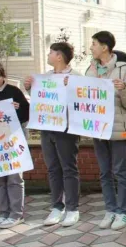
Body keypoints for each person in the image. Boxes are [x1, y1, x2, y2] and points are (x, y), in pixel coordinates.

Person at [24, 43, 82, 227]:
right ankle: (57, 207)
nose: (48, 55)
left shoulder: (76, 77)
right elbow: (39, 99)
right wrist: (29, 88)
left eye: (50, 52)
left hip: (66, 130)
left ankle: (72, 209)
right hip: (47, 128)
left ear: (59, 56)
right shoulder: (46, 78)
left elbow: (82, 101)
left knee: (68, 168)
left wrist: (71, 88)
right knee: (52, 168)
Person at [85, 31, 126, 230]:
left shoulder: (125, 70)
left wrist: (124, 88)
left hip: (117, 128)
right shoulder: (90, 69)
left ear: (105, 47)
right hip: (98, 128)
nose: (92, 48)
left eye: (94, 44)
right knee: (104, 172)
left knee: (119, 172)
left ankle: (123, 213)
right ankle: (110, 210)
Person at [0, 60, 30, 229]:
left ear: (4, 76)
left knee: (14, 178)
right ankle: (3, 213)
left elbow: (26, 114)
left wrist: (18, 108)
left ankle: (16, 214)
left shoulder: (13, 91)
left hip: (13, 142)